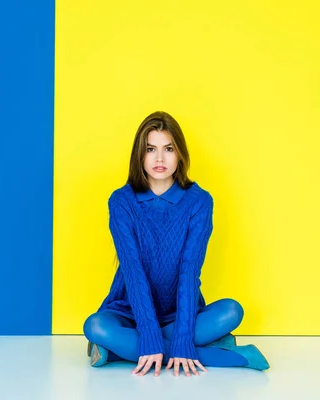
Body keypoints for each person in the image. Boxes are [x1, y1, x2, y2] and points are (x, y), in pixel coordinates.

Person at [83, 111, 270, 377]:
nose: (160, 159)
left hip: (180, 313)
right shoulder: (121, 201)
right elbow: (133, 273)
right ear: (140, 155)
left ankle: (117, 350)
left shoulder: (199, 202)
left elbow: (189, 272)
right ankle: (221, 353)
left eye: (168, 148)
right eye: (151, 149)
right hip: (130, 312)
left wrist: (182, 334)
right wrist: (152, 334)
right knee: (96, 326)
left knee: (231, 311)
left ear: (179, 153)